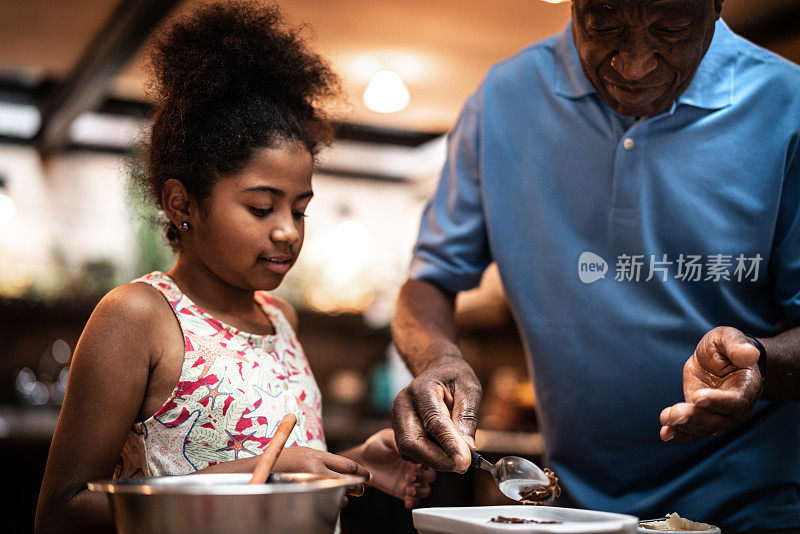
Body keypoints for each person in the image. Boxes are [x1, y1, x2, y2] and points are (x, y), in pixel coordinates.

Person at [391, 0, 800, 531]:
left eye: (670, 29)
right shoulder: (503, 100)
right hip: (575, 513)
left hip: (752, 510)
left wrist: (760, 365)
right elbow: (428, 282)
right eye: (604, 24)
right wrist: (436, 360)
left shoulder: (787, 105)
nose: (633, 65)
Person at [35, 3, 433, 533]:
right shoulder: (138, 317)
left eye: (300, 208)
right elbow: (60, 512)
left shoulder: (280, 317)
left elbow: (273, 466)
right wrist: (253, 477)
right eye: (261, 207)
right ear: (182, 205)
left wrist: (351, 463)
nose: (288, 230)